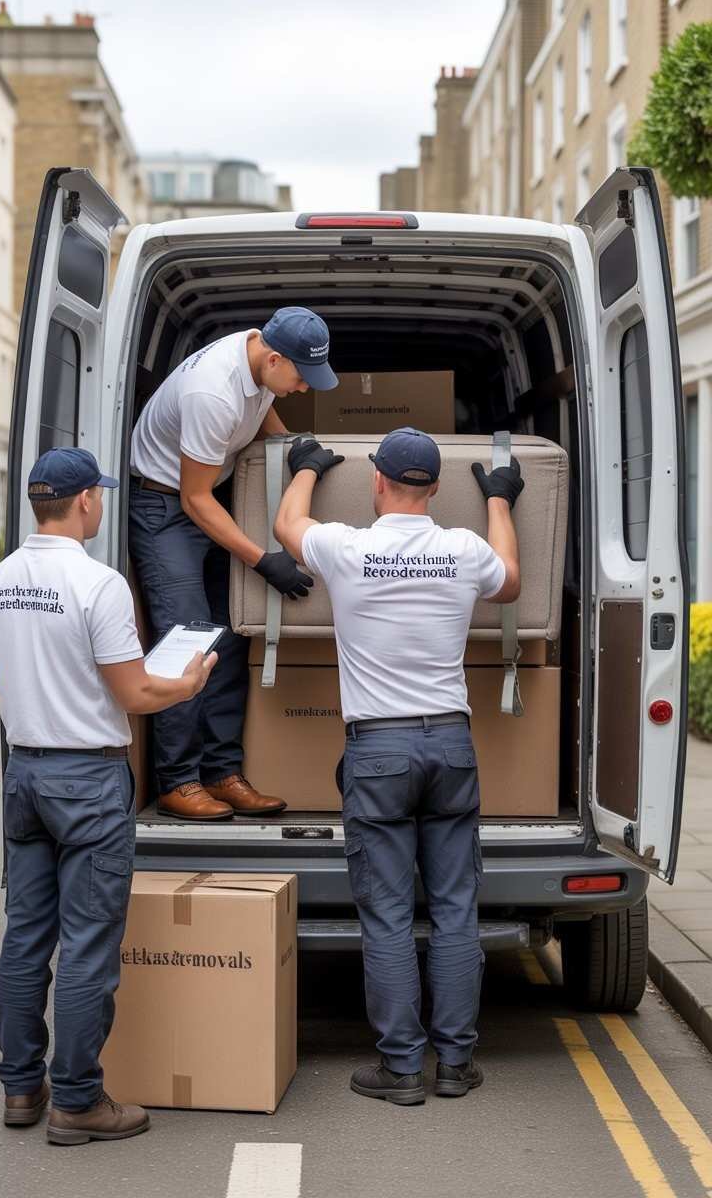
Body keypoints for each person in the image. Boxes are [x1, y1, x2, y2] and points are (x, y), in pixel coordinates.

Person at [274, 428, 523, 1105]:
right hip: (449, 744)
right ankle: (454, 1063)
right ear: (436, 489)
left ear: (378, 482)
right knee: (454, 907)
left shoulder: (347, 547)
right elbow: (511, 581)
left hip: (378, 750)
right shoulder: (462, 549)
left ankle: (402, 1068)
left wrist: (304, 468)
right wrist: (499, 500)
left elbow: (286, 524)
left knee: (385, 915)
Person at [0, 447, 217, 1146]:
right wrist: (190, 682)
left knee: (26, 938)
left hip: (25, 774)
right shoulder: (99, 584)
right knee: (87, 945)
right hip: (87, 780)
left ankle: (21, 1087)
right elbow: (138, 692)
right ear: (85, 501)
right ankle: (78, 1101)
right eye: (101, 496)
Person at [128, 305, 338, 821]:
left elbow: (263, 403)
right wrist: (264, 560)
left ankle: (222, 773)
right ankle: (179, 782)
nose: (305, 388)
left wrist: (290, 448)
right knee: (187, 640)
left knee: (228, 635)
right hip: (167, 507)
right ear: (271, 358)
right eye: (301, 377)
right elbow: (194, 499)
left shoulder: (258, 361)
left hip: (213, 498)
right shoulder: (212, 392)